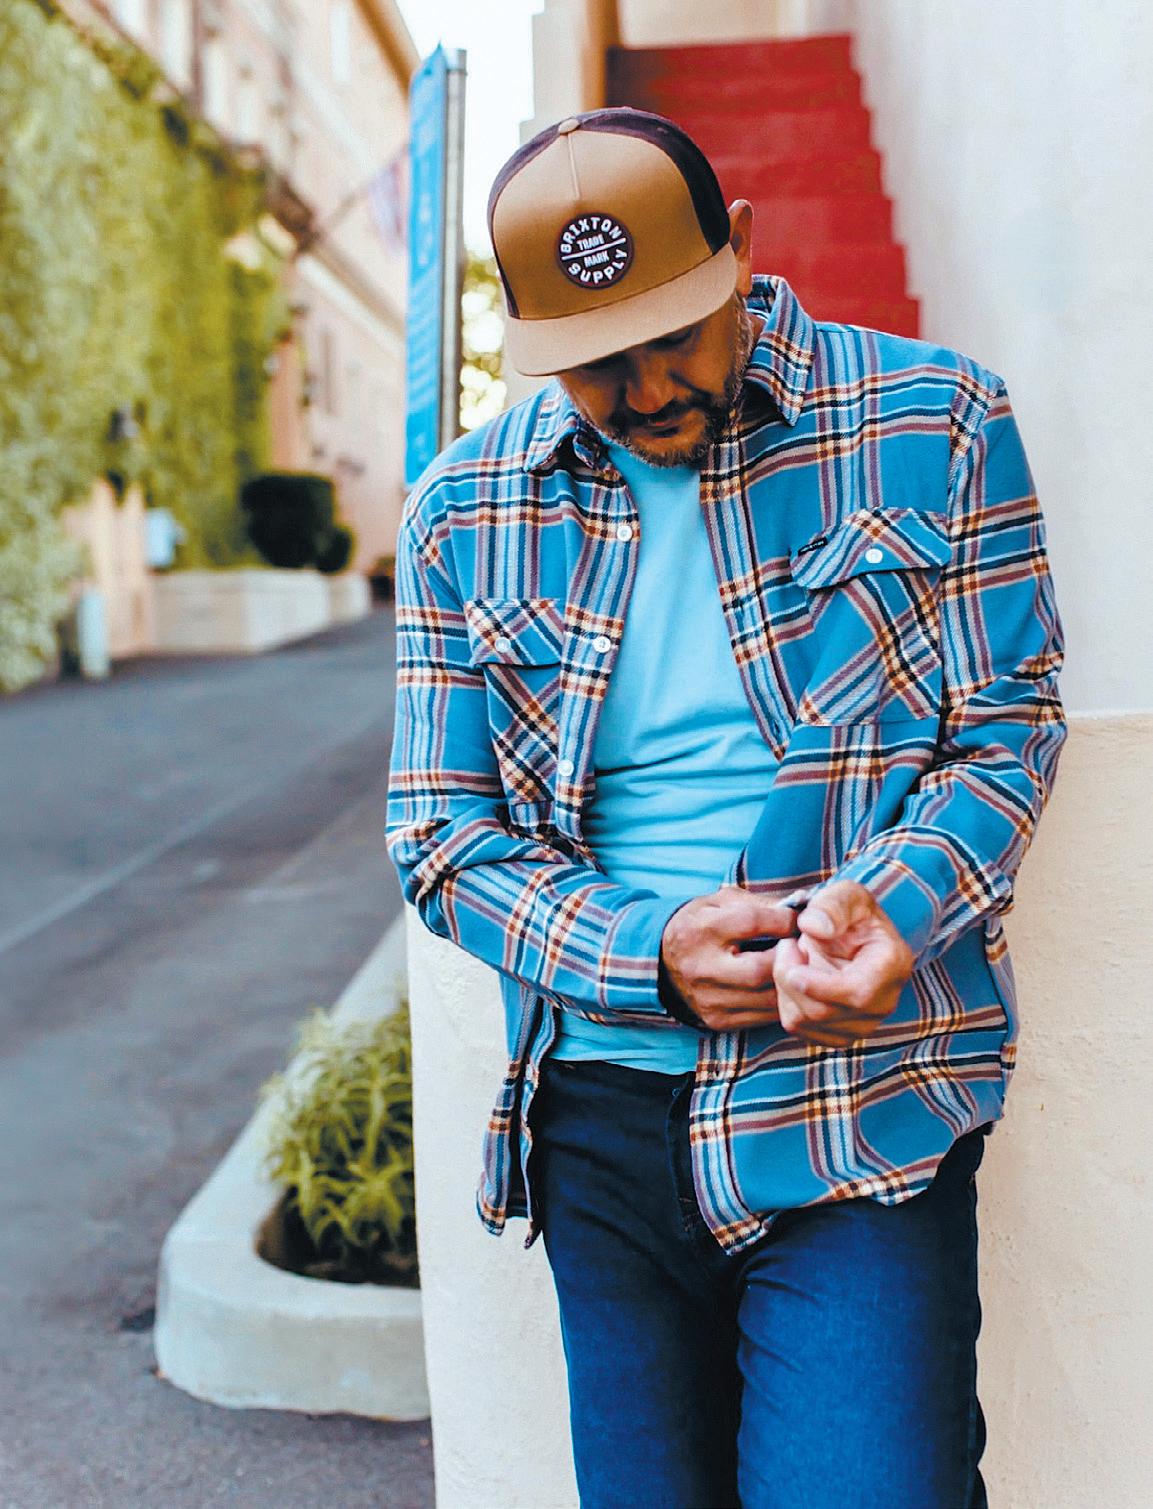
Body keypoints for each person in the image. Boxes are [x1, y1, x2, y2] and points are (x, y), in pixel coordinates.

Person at [386, 107, 1066, 1509]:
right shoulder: (462, 511)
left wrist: (900, 907)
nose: (644, 388)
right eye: (592, 360)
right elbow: (439, 836)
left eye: (673, 334)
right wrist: (645, 952)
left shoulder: (937, 423)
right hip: (601, 1123)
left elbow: (1005, 726)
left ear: (740, 249)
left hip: (859, 1104)